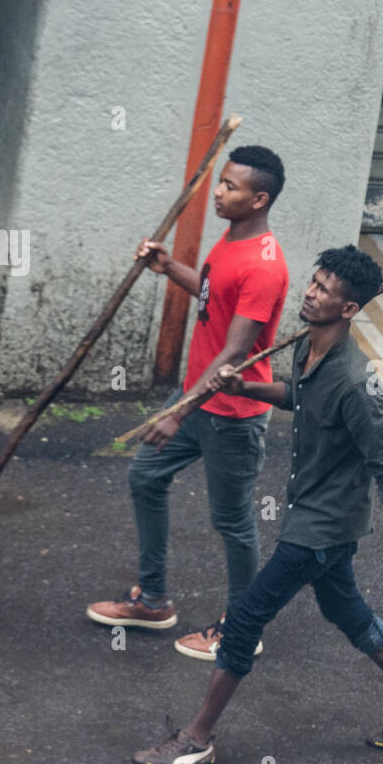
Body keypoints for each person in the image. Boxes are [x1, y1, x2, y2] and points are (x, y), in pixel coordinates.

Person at [132, 245, 383, 764]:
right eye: (314, 280)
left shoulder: (354, 381)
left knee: (247, 617)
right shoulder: (309, 347)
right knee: (342, 607)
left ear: (349, 309)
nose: (310, 291)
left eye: (325, 289)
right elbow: (298, 394)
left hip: (322, 525)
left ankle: (197, 737)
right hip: (313, 513)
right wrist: (245, 385)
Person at [86, 146, 288, 663]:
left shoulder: (264, 266)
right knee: (145, 477)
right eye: (220, 182)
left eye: (230, 187)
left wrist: (179, 412)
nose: (218, 192)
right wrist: (168, 265)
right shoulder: (232, 239)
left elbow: (237, 352)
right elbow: (211, 293)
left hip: (230, 416)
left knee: (234, 522)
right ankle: (153, 601)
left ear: (258, 198)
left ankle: (240, 628)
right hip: (197, 396)